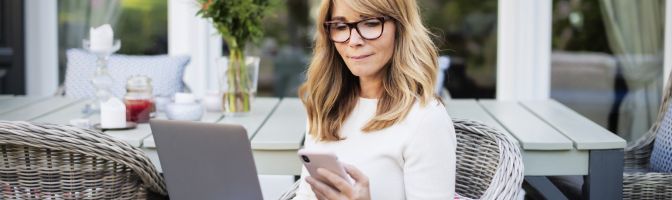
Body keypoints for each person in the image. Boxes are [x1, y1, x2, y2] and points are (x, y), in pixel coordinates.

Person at [293, 0, 456, 199]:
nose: (354, 40)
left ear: (400, 28)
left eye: (370, 23)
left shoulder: (425, 120)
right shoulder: (326, 106)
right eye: (341, 26)